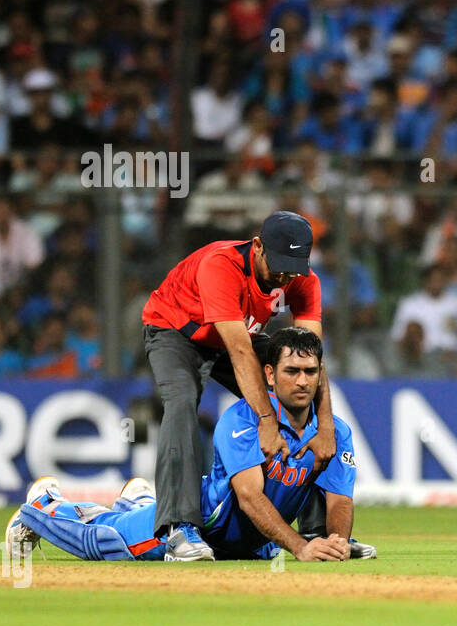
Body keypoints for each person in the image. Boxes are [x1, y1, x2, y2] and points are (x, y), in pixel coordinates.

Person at [5, 328, 375, 563]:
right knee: (101, 540)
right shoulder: (244, 419)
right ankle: (43, 505)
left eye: (311, 372)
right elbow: (249, 497)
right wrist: (300, 547)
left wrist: (337, 543)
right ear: (269, 375)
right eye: (291, 372)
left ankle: (140, 499)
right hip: (197, 527)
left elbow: (340, 498)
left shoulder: (334, 432)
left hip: (253, 545)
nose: (302, 381)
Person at [140, 211, 336, 560]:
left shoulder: (302, 278)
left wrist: (327, 426)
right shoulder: (222, 265)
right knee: (182, 401)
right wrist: (265, 420)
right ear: (257, 246)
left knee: (297, 390)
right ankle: (178, 529)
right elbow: (240, 350)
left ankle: (316, 533)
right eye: (278, 265)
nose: (283, 276)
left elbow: (311, 359)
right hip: (176, 331)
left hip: (237, 335)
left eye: (293, 268)